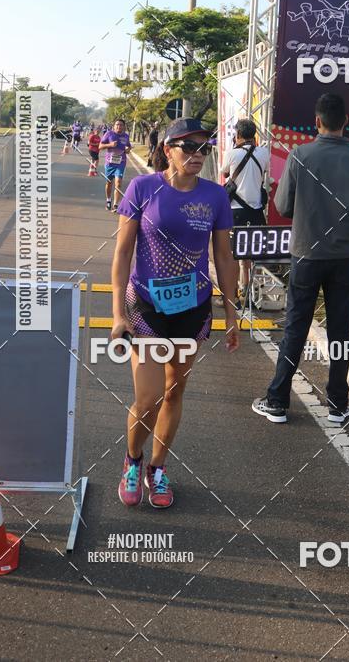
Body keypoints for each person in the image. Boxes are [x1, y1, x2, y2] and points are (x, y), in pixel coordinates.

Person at [111, 117, 239, 508]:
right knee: (147, 397)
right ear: (168, 151)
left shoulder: (215, 196)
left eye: (204, 148)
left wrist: (231, 311)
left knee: (173, 392)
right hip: (147, 307)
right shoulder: (142, 188)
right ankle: (132, 461)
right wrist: (117, 314)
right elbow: (122, 254)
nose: (198, 155)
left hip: (193, 309)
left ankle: (158, 467)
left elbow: (224, 255)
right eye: (188, 147)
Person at [252, 93, 349, 424]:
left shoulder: (300, 155)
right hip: (343, 257)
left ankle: (277, 400)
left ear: (317, 121)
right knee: (340, 331)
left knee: (296, 326)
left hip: (306, 255)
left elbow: (282, 206)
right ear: (345, 122)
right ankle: (338, 404)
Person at [221, 119, 269, 300]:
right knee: (248, 255)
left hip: (235, 211)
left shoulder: (232, 154)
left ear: (238, 135)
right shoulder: (264, 153)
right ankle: (247, 292)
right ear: (254, 135)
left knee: (232, 255)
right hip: (256, 211)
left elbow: (224, 172)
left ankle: (232, 296)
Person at [100, 119, 132, 211]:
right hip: (109, 163)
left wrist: (128, 149)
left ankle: (116, 205)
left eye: (121, 125)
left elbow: (128, 147)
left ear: (124, 126)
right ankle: (109, 200)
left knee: (118, 183)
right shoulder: (109, 134)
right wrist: (110, 144)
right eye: (117, 125)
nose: (119, 126)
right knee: (109, 183)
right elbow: (100, 146)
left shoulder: (126, 136)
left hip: (121, 163)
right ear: (114, 126)